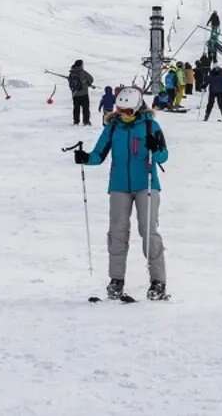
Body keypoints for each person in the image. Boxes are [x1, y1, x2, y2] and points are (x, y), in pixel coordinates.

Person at [76, 87, 170, 301]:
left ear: (136, 108)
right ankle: (116, 280)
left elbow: (163, 157)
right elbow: (98, 155)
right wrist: (85, 158)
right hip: (119, 185)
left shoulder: (149, 125)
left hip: (146, 185)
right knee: (117, 232)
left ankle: (158, 282)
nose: (122, 114)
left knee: (148, 231)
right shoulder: (113, 127)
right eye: (120, 110)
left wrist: (155, 148)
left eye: (127, 111)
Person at [68, 60, 94, 126]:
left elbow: (70, 83)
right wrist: (87, 83)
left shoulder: (72, 72)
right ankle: (86, 121)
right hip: (84, 94)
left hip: (75, 94)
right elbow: (91, 79)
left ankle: (76, 121)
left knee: (76, 108)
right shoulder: (83, 72)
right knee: (85, 108)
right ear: (81, 65)